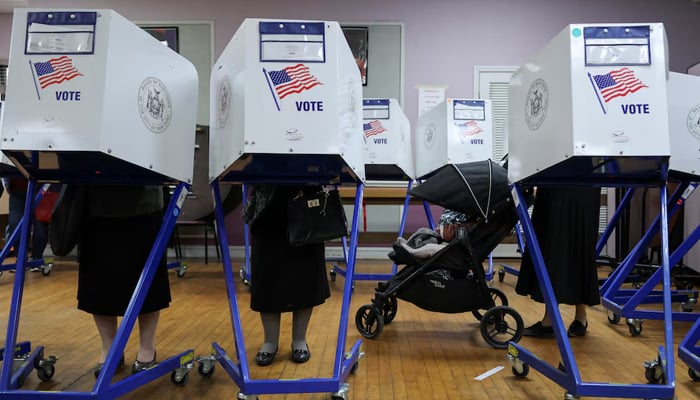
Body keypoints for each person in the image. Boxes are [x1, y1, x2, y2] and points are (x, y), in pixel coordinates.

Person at [76, 185, 171, 377]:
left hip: (145, 202)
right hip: (96, 204)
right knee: (99, 284)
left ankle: (147, 347)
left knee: (148, 285)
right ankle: (109, 349)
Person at [243, 185, 331, 366]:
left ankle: (299, 340)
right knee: (268, 277)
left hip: (307, 203)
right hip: (267, 207)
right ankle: (270, 342)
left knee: (305, 277)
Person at [515, 186, 601, 337]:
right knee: (552, 246)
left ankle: (579, 317)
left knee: (579, 245)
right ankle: (551, 319)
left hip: (583, 182)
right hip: (557, 182)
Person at [3, 177, 52, 271]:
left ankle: (36, 258)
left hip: (39, 190)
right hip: (17, 191)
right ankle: (21, 259)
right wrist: (7, 184)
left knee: (40, 229)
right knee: (15, 227)